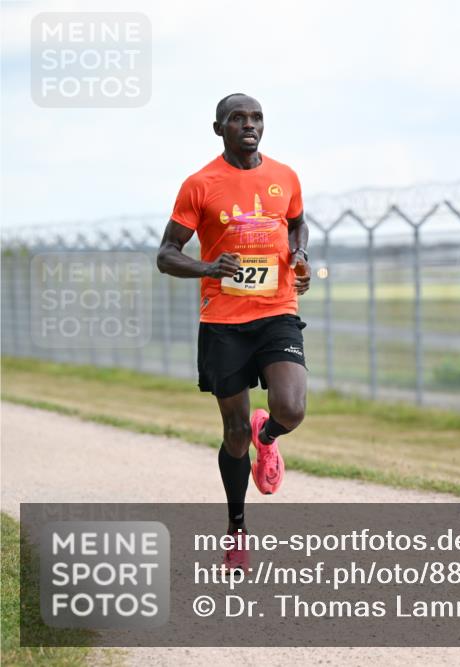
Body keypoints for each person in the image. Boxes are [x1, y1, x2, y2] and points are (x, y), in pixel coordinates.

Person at [156, 93, 311, 571]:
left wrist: (301, 256)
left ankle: (273, 435)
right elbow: (166, 253)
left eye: (257, 117)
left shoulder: (285, 176)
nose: (249, 124)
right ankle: (237, 530)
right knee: (235, 431)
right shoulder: (199, 185)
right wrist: (208, 266)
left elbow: (298, 225)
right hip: (223, 321)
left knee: (292, 407)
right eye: (238, 118)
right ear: (219, 127)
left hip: (277, 310)